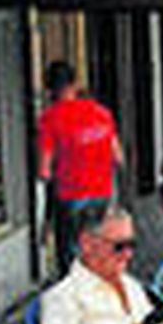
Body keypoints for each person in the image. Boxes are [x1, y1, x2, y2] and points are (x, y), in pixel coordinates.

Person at [38, 61, 124, 275]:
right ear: (75, 84)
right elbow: (118, 157)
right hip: (102, 193)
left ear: (49, 89)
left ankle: (77, 289)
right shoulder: (101, 113)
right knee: (97, 250)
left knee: (71, 257)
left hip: (70, 195)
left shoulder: (49, 118)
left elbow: (44, 170)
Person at [39, 205, 152, 324]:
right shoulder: (65, 296)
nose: (128, 255)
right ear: (87, 244)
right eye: (119, 247)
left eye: (131, 244)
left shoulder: (132, 285)